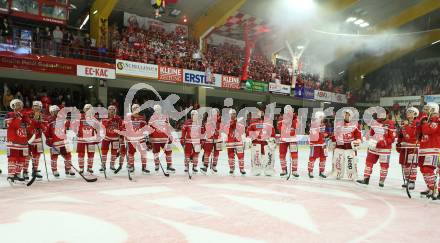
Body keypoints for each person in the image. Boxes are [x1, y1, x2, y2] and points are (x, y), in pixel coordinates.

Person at [357, 111, 396, 187]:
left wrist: (384, 142)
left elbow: (393, 138)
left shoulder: (391, 125)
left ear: (387, 115)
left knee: (384, 165)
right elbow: (371, 134)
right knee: (369, 162)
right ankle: (366, 179)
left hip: (385, 149)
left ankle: (381, 182)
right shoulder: (374, 123)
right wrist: (371, 141)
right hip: (374, 148)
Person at [5, 99, 34, 183]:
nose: (20, 106)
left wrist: (31, 121)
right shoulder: (9, 114)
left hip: (23, 142)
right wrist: (19, 116)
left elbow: (30, 126)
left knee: (22, 159)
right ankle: (11, 175)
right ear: (13, 106)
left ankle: (17, 174)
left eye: (21, 104)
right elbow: (13, 125)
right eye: (17, 104)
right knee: (12, 159)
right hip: (13, 141)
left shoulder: (24, 116)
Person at [329, 109, 362, 181]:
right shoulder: (338, 124)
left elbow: (358, 136)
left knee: (351, 163)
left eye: (347, 114)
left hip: (350, 148)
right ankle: (338, 174)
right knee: (338, 162)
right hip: (339, 147)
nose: (346, 115)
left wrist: (357, 141)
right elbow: (335, 134)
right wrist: (333, 141)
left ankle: (352, 175)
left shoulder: (356, 124)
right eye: (345, 114)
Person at [45, 105, 75, 177]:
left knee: (68, 156)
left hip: (64, 141)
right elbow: (46, 131)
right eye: (55, 111)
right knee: (54, 157)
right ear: (51, 112)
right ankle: (54, 170)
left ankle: (68, 168)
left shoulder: (63, 119)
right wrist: (48, 138)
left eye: (58, 111)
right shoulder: (49, 120)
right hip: (55, 142)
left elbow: (69, 127)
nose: (57, 112)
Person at [418, 102, 440, 199]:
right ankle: (430, 188)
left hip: (433, 149)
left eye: (427, 109)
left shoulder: (436, 120)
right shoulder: (426, 119)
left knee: (428, 169)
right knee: (423, 170)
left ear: (433, 110)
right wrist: (420, 124)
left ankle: (434, 188)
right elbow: (419, 134)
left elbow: (428, 131)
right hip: (424, 148)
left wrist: (425, 122)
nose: (424, 111)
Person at [396, 107, 420, 190]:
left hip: (413, 147)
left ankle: (412, 182)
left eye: (411, 112)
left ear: (415, 114)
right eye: (408, 112)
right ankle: (407, 180)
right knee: (404, 165)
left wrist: (406, 127)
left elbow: (413, 136)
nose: (408, 113)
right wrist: (399, 143)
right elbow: (401, 135)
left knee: (412, 165)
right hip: (405, 147)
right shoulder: (404, 124)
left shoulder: (417, 123)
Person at [247, 108, 276, 176]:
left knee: (269, 156)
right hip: (256, 142)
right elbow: (249, 131)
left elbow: (272, 131)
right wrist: (251, 137)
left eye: (262, 112)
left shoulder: (268, 122)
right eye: (259, 113)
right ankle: (256, 169)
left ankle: (268, 169)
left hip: (266, 142)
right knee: (256, 156)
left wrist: (272, 139)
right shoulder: (253, 122)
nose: (261, 114)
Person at [148, 104, 176, 173]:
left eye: (159, 109)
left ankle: (169, 166)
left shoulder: (165, 117)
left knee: (168, 152)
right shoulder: (152, 117)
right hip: (155, 139)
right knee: (155, 153)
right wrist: (149, 137)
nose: (158, 110)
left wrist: (170, 136)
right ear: (154, 110)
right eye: (156, 109)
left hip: (165, 138)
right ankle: (157, 165)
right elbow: (149, 128)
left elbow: (168, 127)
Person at [75, 104, 101, 174]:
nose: (87, 110)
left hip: (91, 139)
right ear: (84, 109)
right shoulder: (79, 117)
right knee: (81, 154)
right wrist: (76, 131)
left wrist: (98, 136)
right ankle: (81, 168)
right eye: (86, 109)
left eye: (89, 109)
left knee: (91, 154)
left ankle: (89, 167)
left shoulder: (94, 118)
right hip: (81, 139)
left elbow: (97, 128)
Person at [222, 109, 246, 175]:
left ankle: (242, 169)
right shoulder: (228, 123)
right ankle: (231, 168)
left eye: (234, 113)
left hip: (238, 141)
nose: (233, 115)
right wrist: (224, 139)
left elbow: (242, 129)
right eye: (231, 114)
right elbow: (226, 129)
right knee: (230, 155)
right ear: (229, 115)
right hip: (230, 141)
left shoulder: (239, 122)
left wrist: (244, 139)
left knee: (241, 155)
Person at [25, 101, 45, 180]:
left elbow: (44, 126)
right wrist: (35, 120)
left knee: (37, 156)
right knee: (27, 156)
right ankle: (25, 171)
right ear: (32, 107)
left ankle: (35, 170)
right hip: (29, 139)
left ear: (40, 107)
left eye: (38, 106)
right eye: (35, 106)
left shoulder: (42, 115)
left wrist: (42, 126)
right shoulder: (27, 114)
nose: (36, 107)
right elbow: (28, 127)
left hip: (38, 139)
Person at [277, 105, 299, 177]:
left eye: (290, 110)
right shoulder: (281, 118)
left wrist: (292, 119)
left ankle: (294, 170)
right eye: (287, 110)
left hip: (292, 139)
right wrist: (286, 121)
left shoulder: (295, 117)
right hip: (283, 139)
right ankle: (284, 169)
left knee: (294, 155)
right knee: (282, 155)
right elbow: (279, 127)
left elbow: (296, 126)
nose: (288, 111)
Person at [100, 105, 123, 172]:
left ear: (115, 110)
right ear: (108, 110)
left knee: (114, 152)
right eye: (110, 109)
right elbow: (104, 125)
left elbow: (121, 127)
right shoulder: (104, 117)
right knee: (104, 151)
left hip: (115, 138)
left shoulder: (118, 118)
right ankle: (103, 165)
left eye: (113, 109)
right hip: (106, 137)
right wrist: (111, 119)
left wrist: (121, 135)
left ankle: (112, 164)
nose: (112, 110)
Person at [308, 111, 328, 179]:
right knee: (312, 158)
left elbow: (323, 133)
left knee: (323, 158)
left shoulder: (323, 124)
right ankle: (310, 171)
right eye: (321, 117)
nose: (323, 118)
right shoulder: (313, 124)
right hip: (315, 144)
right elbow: (313, 134)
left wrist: (326, 135)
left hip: (322, 144)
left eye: (323, 117)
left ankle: (321, 172)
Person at [201, 108, 222, 174]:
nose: (215, 114)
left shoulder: (221, 120)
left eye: (216, 113)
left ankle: (214, 166)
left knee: (216, 154)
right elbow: (205, 129)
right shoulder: (208, 120)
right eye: (213, 113)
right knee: (207, 153)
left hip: (218, 139)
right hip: (209, 139)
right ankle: (205, 166)